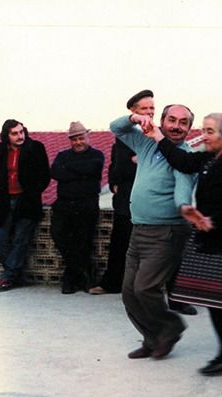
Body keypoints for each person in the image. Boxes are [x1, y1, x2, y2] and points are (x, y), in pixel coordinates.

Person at [148, 113, 222, 375]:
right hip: (214, 238)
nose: (203, 136)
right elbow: (184, 162)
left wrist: (212, 220)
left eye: (209, 131)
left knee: (221, 300)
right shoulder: (212, 156)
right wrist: (159, 138)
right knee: (216, 299)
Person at [110, 104, 195, 360]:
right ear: (162, 121)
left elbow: (183, 188)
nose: (177, 126)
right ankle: (152, 339)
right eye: (172, 120)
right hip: (139, 229)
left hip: (166, 231)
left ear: (190, 128)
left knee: (145, 288)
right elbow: (116, 127)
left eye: (183, 122)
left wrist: (184, 207)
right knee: (129, 292)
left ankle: (171, 326)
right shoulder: (147, 144)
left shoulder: (184, 156)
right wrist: (135, 117)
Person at [89, 90, 152, 295]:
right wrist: (117, 180)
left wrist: (135, 163)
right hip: (125, 200)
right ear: (133, 112)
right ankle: (112, 283)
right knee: (119, 244)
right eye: (145, 108)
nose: (149, 112)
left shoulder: (156, 136)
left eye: (152, 108)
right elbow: (117, 166)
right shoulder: (125, 136)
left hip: (148, 201)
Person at [0, 120, 50, 292]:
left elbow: (44, 175)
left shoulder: (36, 147)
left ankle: (7, 277)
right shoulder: (0, 149)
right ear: (7, 135)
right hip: (4, 201)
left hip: (27, 202)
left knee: (20, 240)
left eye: (21, 132)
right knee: (0, 239)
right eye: (15, 133)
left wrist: (31, 194)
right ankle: (12, 274)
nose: (20, 136)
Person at [50, 122, 104, 294]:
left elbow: (93, 169)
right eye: (74, 139)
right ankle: (82, 274)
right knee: (58, 235)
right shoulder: (62, 155)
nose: (78, 142)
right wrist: (82, 172)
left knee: (83, 241)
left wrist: (69, 169)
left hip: (86, 204)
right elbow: (55, 172)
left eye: (81, 138)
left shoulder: (97, 155)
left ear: (88, 137)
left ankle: (72, 278)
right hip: (64, 204)